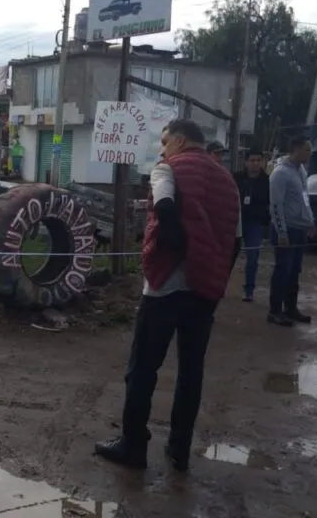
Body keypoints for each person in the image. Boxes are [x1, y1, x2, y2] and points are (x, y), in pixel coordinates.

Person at [94, 119, 239, 472]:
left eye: (164, 141)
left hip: (166, 287)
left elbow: (165, 207)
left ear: (179, 139)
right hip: (206, 290)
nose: (161, 149)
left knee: (142, 367)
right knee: (191, 371)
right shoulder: (228, 181)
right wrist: (215, 276)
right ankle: (179, 449)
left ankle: (133, 445)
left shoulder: (167, 169)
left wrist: (180, 250)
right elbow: (235, 240)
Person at [267, 135, 316, 326]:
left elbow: (304, 198)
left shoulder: (301, 171)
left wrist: (310, 220)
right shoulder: (280, 173)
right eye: (307, 149)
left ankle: (291, 308)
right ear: (295, 150)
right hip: (286, 229)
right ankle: (275, 311)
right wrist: (281, 232)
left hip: (300, 228)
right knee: (282, 271)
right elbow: (276, 205)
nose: (309, 153)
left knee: (294, 271)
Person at [234, 149, 270, 301]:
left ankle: (249, 290)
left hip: (255, 224)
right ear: (246, 162)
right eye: (252, 160)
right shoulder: (237, 179)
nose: (255, 163)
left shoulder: (267, 181)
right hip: (237, 222)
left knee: (253, 257)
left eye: (258, 160)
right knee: (229, 255)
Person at [207, 140, 243, 268]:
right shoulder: (205, 176)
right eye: (216, 154)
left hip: (231, 232)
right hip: (215, 234)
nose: (220, 158)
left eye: (221, 154)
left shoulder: (226, 175)